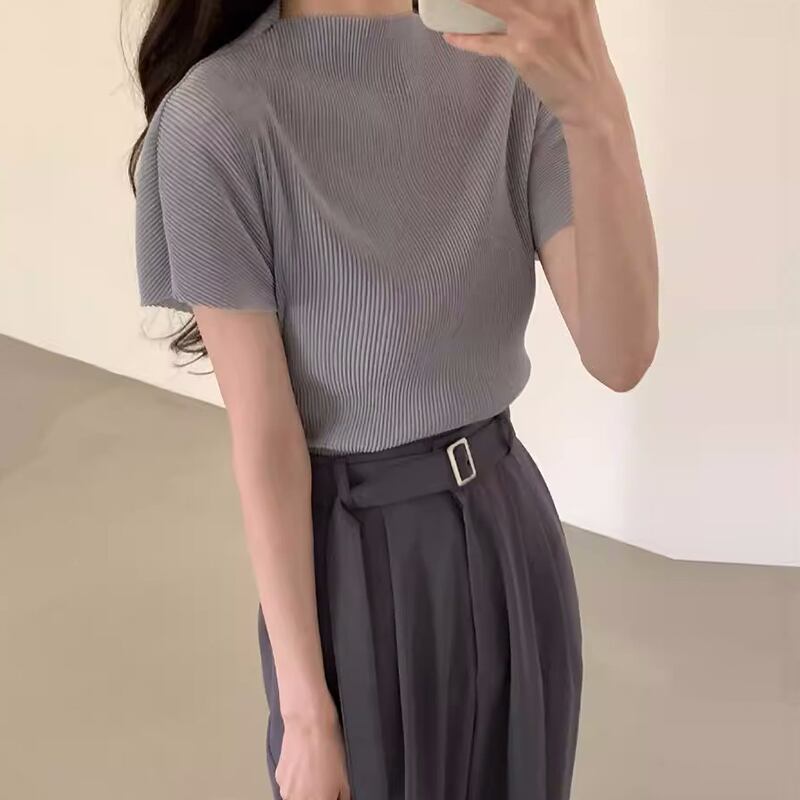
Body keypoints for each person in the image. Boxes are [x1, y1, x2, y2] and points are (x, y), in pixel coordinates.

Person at [130, 0, 659, 797]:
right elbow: (267, 439)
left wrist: (597, 110)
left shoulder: (509, 70)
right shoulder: (218, 115)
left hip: (511, 535)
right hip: (354, 561)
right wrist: (306, 712)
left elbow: (621, 355)